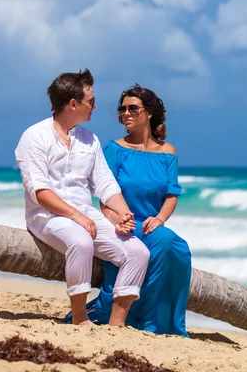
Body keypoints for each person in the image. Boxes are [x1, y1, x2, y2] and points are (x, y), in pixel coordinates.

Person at [15, 70, 149, 327]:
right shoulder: (34, 136)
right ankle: (80, 318)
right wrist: (78, 217)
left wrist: (122, 215)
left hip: (85, 215)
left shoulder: (89, 140)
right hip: (46, 216)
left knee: (138, 252)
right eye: (91, 101)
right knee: (81, 241)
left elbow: (105, 184)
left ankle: (116, 324)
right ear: (73, 103)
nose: (95, 106)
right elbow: (40, 192)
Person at [68, 84, 192, 336]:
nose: (126, 113)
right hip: (122, 224)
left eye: (132, 108)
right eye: (122, 109)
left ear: (148, 113)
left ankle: (160, 322)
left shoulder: (168, 152)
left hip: (151, 223)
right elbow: (105, 194)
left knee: (173, 245)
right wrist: (116, 219)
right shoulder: (114, 149)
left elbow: (172, 194)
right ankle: (137, 319)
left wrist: (160, 218)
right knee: (154, 246)